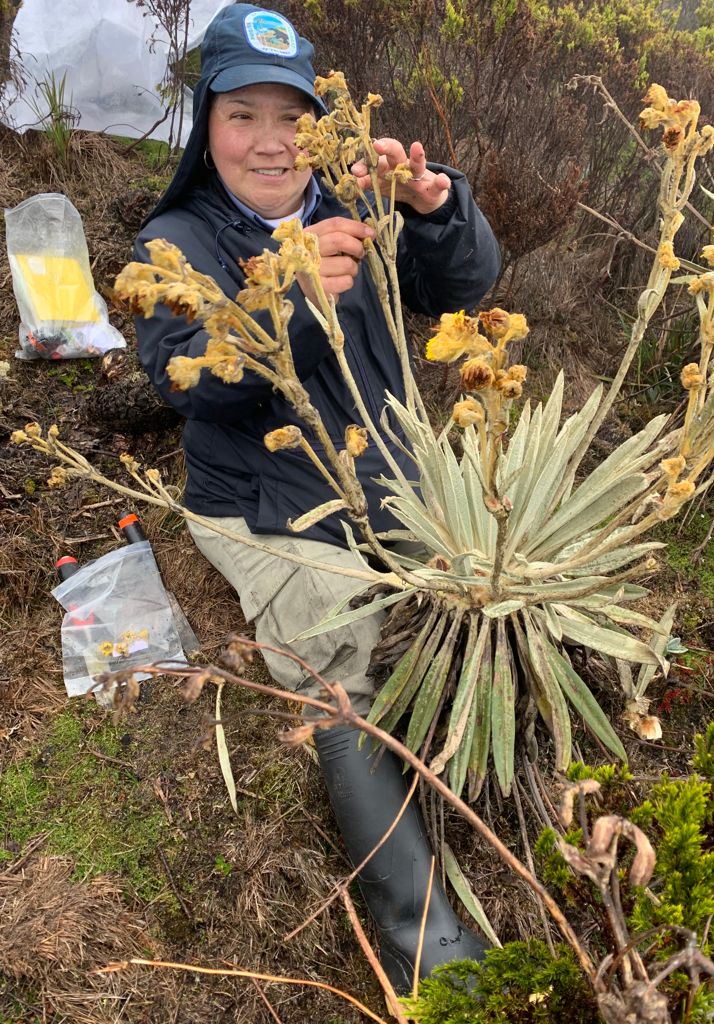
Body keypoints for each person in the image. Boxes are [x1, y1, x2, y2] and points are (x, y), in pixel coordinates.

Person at [135, 3, 501, 992]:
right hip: (260, 504)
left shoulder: (350, 200)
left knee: (496, 600)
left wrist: (432, 207)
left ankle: (509, 812)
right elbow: (184, 375)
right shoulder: (175, 240)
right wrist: (296, 300)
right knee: (339, 656)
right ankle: (426, 946)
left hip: (389, 484)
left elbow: (463, 284)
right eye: (241, 114)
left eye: (291, 116)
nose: (270, 142)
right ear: (205, 123)